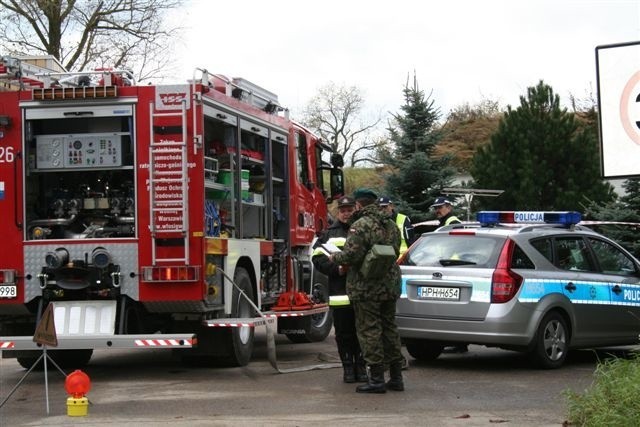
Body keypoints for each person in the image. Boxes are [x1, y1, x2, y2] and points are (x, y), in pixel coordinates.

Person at [330, 188, 404, 394]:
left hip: (367, 288)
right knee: (390, 329)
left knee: (369, 330)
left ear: (359, 205)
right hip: (389, 286)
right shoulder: (391, 225)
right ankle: (397, 377)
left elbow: (350, 256)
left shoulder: (360, 226)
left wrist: (333, 258)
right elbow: (395, 251)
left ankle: (377, 379)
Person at [312, 196, 367, 384]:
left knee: (362, 332)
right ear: (338, 212)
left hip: (361, 293)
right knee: (343, 334)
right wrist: (337, 269)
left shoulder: (362, 230)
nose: (346, 213)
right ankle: (348, 369)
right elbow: (317, 258)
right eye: (343, 210)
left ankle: (361, 367)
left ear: (355, 210)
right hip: (340, 293)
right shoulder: (329, 234)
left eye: (350, 210)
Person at [431, 196, 468, 354]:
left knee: (454, 308)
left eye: (440, 207)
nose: (437, 210)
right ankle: (456, 342)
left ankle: (460, 343)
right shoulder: (445, 223)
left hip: (453, 268)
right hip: (448, 267)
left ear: (449, 207)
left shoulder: (452, 223)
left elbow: (456, 247)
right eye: (436, 208)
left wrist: (448, 264)